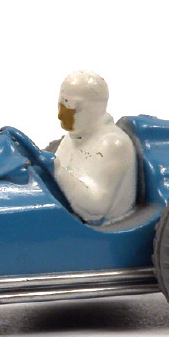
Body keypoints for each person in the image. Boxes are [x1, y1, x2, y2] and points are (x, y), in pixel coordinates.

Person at [53, 71, 137, 223]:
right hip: (68, 214)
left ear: (93, 108)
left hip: (97, 226)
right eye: (61, 105)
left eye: (70, 107)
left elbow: (95, 208)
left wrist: (57, 170)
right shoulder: (73, 136)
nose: (60, 115)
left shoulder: (113, 144)